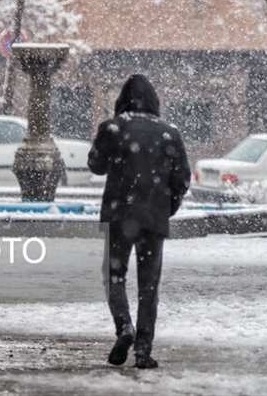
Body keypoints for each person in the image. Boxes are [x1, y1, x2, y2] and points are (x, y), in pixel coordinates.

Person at [88, 74, 191, 370]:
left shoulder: (113, 128)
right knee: (149, 286)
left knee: (114, 276)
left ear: (122, 99)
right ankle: (143, 352)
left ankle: (124, 328)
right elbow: (182, 178)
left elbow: (95, 165)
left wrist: (110, 149)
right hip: (153, 219)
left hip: (119, 215)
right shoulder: (169, 133)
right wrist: (166, 207)